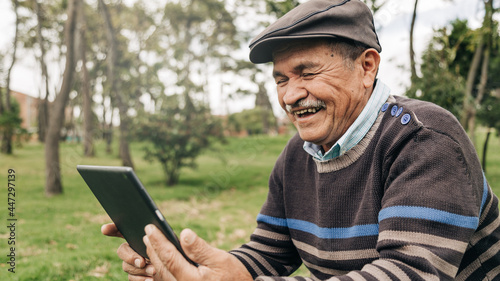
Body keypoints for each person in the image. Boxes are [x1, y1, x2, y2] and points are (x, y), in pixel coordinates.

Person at [102, 0, 500, 280]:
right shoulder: (299, 153)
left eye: (306, 72)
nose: (290, 95)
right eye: (281, 79)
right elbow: (269, 252)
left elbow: (407, 274)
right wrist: (197, 266)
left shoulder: (423, 138)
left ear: (367, 66)